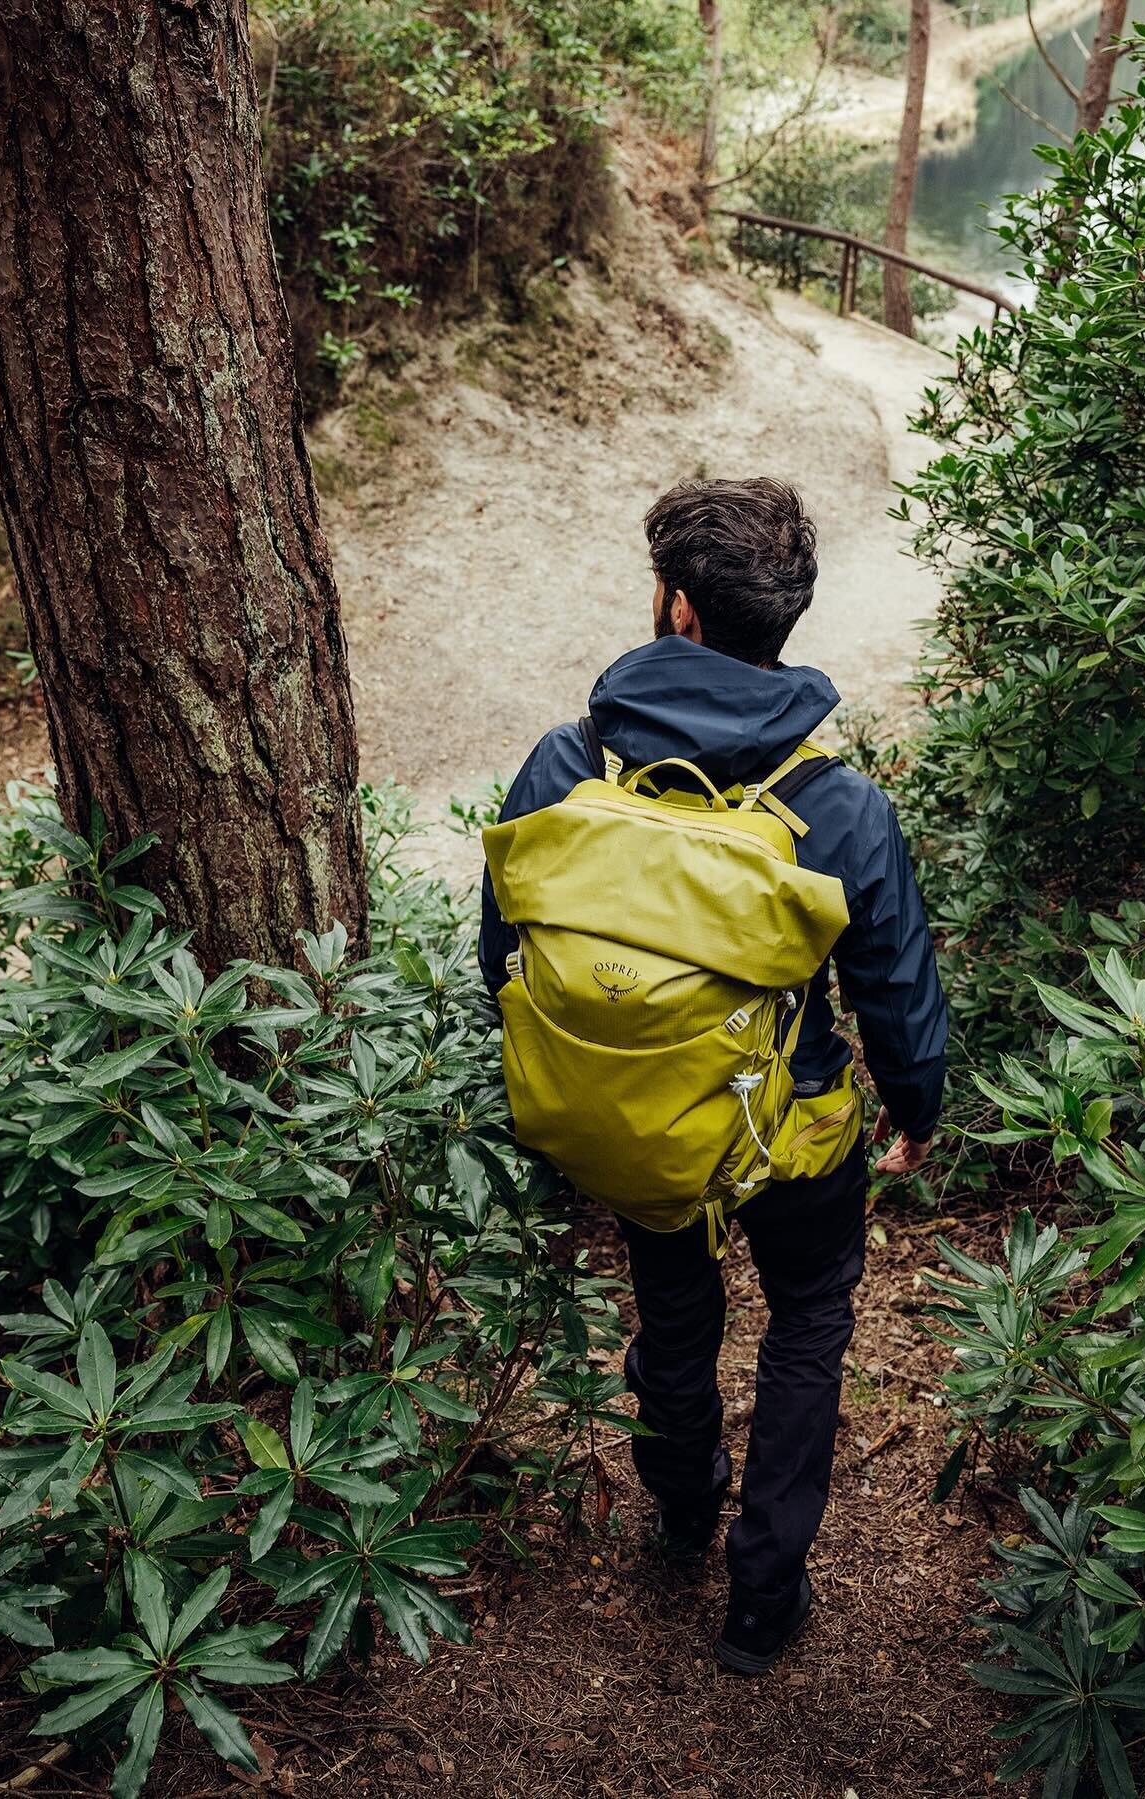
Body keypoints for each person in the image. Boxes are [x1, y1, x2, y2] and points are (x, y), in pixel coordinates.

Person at [478, 476, 947, 1673]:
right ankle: (761, 1594)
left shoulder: (565, 763)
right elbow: (893, 994)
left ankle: (683, 1507)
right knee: (810, 1315)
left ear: (678, 612)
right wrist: (918, 1108)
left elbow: (504, 956)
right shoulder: (838, 806)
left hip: (644, 1123)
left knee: (676, 1311)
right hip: (789, 1132)